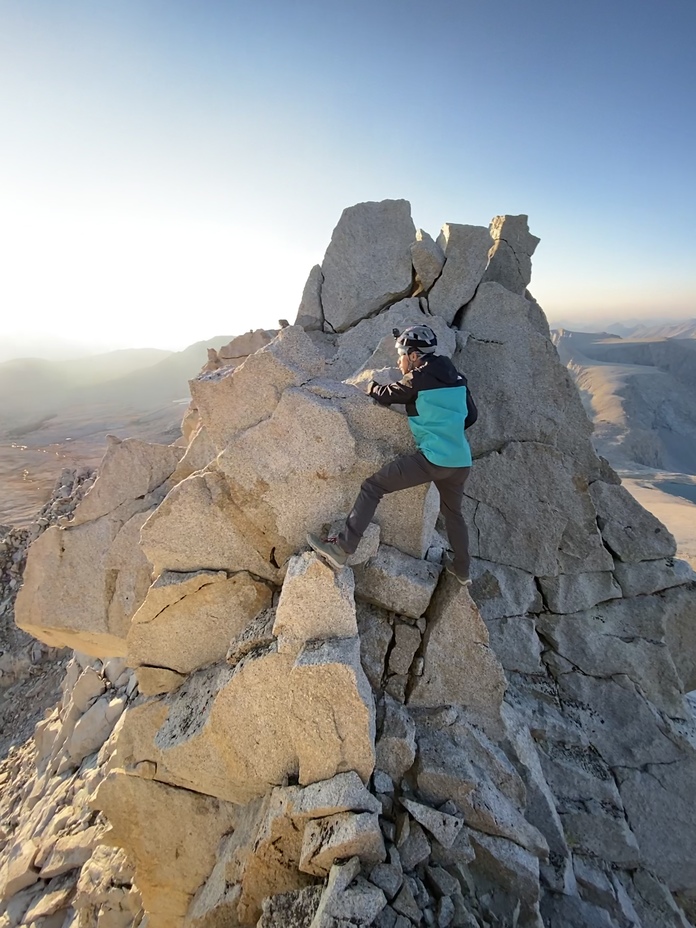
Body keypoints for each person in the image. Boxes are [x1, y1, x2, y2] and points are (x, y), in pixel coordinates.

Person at [307, 324, 477, 585]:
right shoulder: (458, 378)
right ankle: (462, 571)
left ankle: (342, 548)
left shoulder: (417, 378)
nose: (399, 362)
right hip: (461, 460)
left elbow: (386, 395)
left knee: (373, 486)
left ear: (414, 355)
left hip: (433, 460)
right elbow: (471, 416)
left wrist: (372, 387)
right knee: (454, 514)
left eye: (401, 355)